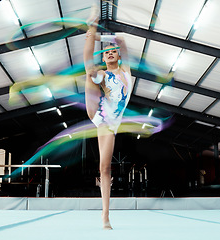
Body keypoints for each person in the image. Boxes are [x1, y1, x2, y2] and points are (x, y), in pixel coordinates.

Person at [84, 5, 132, 230]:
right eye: (106, 52)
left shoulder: (126, 72)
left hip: (113, 121)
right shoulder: (103, 73)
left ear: (119, 56)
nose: (110, 52)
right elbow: (90, 63)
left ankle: (105, 214)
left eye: (113, 51)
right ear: (104, 58)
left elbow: (122, 41)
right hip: (101, 115)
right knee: (89, 72)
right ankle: (105, 216)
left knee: (105, 168)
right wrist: (92, 32)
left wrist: (109, 37)